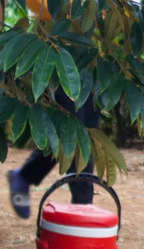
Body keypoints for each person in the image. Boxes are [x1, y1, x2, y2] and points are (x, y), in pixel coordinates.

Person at [6, 90, 99, 218]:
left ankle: (26, 174)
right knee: (76, 137)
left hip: (91, 76)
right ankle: (83, 211)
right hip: (65, 74)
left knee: (82, 134)